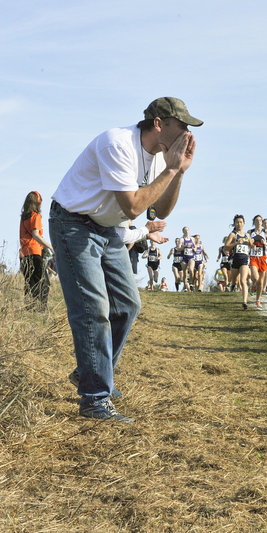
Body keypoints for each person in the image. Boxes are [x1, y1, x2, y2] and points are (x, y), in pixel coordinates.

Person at [50, 96, 200, 421]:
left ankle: (89, 372)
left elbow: (159, 209)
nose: (187, 134)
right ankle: (94, 399)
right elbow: (133, 207)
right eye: (182, 126)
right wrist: (172, 167)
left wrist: (179, 172)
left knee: (127, 305)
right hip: (73, 224)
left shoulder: (161, 159)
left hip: (107, 229)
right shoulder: (117, 143)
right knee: (93, 310)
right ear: (159, 123)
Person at [19, 191, 54, 310]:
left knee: (30, 284)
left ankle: (29, 309)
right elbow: (35, 235)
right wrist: (50, 247)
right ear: (37, 203)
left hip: (24, 255)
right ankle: (41, 310)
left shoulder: (23, 218)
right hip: (35, 253)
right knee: (44, 283)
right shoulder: (36, 216)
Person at [223, 215, 254, 309]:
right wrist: (236, 243)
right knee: (234, 280)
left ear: (244, 223)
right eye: (237, 222)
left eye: (241, 222)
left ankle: (245, 302)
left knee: (243, 280)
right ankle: (232, 285)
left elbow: (252, 245)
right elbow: (226, 247)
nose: (239, 224)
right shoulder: (233, 234)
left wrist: (253, 244)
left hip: (244, 260)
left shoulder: (247, 235)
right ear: (234, 224)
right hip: (235, 259)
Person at [248, 215, 267, 308]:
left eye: (260, 220)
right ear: (254, 222)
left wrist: (265, 243)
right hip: (253, 257)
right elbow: (247, 242)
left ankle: (258, 300)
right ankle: (253, 284)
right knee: (255, 277)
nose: (259, 222)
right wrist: (251, 244)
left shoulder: (266, 232)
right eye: (257, 220)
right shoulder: (250, 232)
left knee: (260, 282)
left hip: (262, 258)